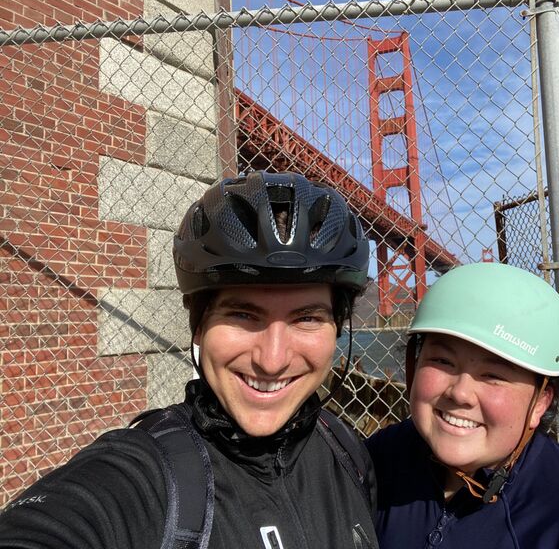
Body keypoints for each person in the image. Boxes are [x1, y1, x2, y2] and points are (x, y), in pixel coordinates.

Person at [0, 171, 379, 549]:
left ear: (337, 329)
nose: (272, 360)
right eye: (242, 315)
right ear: (199, 328)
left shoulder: (347, 451)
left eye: (307, 318)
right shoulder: (146, 474)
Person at [366, 263, 559, 548]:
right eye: (443, 361)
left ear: (541, 401)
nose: (460, 393)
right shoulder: (379, 460)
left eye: (493, 376)